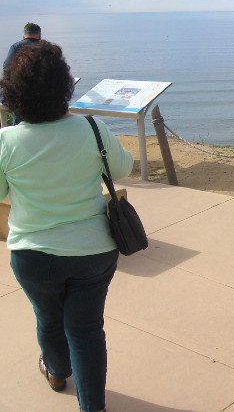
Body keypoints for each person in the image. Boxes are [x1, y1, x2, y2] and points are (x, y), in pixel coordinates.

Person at [0, 41, 133, 412]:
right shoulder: (92, 129)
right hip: (92, 252)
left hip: (33, 255)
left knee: (48, 318)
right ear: (64, 86)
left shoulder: (6, 140)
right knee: (86, 330)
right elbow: (122, 168)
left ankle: (57, 371)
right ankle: (93, 407)